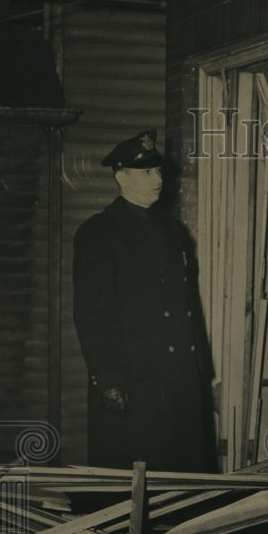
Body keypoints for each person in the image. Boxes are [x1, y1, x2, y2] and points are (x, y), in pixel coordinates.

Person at [73, 130, 217, 472]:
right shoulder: (99, 233)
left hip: (179, 377)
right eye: (146, 173)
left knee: (184, 476)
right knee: (135, 478)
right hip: (135, 380)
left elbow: (189, 308)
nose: (157, 180)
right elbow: (92, 314)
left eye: (159, 172)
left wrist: (202, 373)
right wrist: (108, 380)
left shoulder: (173, 230)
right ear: (122, 178)